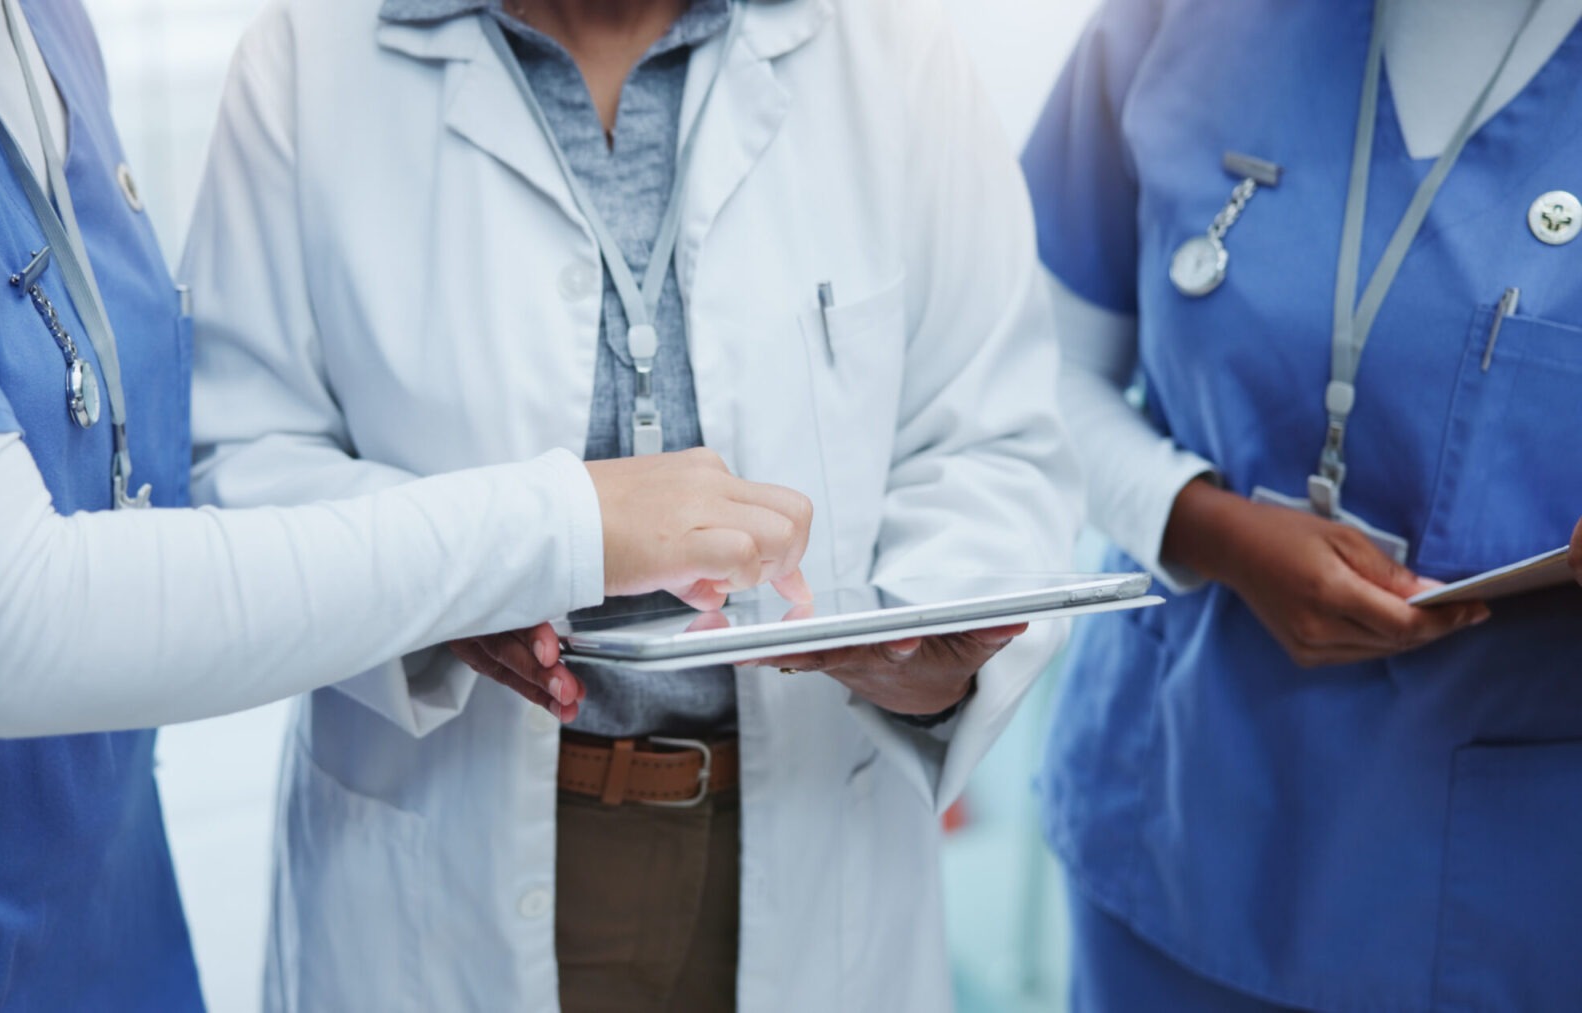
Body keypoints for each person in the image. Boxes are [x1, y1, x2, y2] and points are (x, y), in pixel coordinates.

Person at [0, 0, 815, 1007]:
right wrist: (562, 525)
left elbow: (133, 478)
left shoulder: (37, 26)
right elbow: (12, 613)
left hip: (95, 944)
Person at [180, 0, 1083, 1008]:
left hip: (813, 841)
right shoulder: (308, 61)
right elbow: (241, 458)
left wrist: (922, 659)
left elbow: (991, 438)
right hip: (443, 867)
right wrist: (457, 574)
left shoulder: (889, 53)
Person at [1025, 0, 1582, 1008]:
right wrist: (1203, 523)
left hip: (1515, 896)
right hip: (1175, 831)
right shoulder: (1178, 24)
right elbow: (1025, 369)